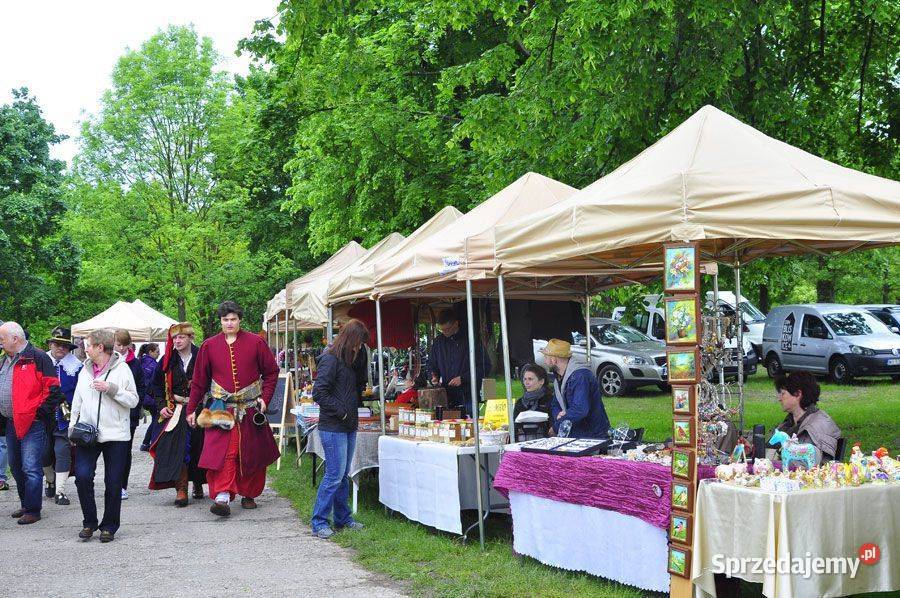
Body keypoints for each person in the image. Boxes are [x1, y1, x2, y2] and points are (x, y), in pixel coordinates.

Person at [187, 301, 280, 517]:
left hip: (250, 408)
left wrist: (265, 399)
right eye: (225, 320)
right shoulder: (209, 346)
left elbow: (272, 372)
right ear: (221, 322)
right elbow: (199, 381)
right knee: (224, 452)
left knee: (250, 451)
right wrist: (191, 408)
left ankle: (249, 493)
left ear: (240, 320)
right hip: (221, 408)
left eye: (233, 319)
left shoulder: (256, 342)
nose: (229, 323)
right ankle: (222, 495)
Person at [71, 328, 139, 542]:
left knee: (113, 482)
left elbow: (133, 401)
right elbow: (77, 400)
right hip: (87, 433)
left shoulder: (122, 369)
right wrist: (73, 426)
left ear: (100, 347)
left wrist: (112, 388)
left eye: (88, 345)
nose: (85, 348)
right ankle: (89, 522)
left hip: (116, 435)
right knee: (82, 477)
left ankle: (109, 526)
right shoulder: (85, 370)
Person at [311, 319, 369, 539]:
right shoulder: (330, 359)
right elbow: (320, 393)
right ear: (350, 340)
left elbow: (358, 385)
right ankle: (319, 521)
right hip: (333, 425)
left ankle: (343, 518)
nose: (359, 348)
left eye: (361, 345)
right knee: (334, 476)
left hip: (348, 424)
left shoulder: (353, 359)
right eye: (358, 344)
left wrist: (361, 358)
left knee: (342, 475)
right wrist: (341, 411)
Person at [0, 321, 63, 524]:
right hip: (11, 420)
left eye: (2, 339)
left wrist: (38, 413)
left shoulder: (38, 357)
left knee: (30, 467)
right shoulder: (4, 360)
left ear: (15, 338)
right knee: (16, 467)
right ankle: (26, 504)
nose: (0, 343)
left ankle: (33, 510)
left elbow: (53, 390)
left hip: (32, 422)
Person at [149, 323, 205, 505]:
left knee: (199, 446)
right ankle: (181, 488)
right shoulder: (167, 359)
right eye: (175, 338)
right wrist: (161, 406)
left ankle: (197, 482)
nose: (178, 341)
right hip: (176, 409)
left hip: (199, 409)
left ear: (190, 337)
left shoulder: (202, 356)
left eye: (181, 337)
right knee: (176, 447)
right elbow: (156, 386)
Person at [540, 339, 610, 439]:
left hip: (592, 436)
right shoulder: (559, 378)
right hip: (576, 433)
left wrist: (557, 426)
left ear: (554, 360)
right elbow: (555, 404)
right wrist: (559, 417)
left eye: (546, 357)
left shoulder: (580, 376)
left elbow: (580, 409)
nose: (544, 361)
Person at [45, 327, 83, 505]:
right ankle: (50, 480)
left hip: (65, 417)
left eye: (65, 346)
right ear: (51, 344)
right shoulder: (41, 362)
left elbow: (81, 393)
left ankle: (60, 491)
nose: (60, 348)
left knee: (62, 452)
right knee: (43, 454)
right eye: (57, 344)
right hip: (42, 416)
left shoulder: (77, 367)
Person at [429, 308, 487, 417]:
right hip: (446, 395)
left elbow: (484, 366)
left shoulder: (471, 340)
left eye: (447, 329)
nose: (445, 333)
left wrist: (463, 378)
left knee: (470, 427)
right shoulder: (438, 343)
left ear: (456, 324)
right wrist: (433, 376)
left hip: (468, 394)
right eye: (442, 330)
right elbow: (432, 365)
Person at [774, 371, 841, 462]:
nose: (779, 399)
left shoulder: (818, 426)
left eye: (783, 393)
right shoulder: (789, 422)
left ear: (798, 394)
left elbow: (809, 465)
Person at [114, 330, 147, 500]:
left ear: (128, 345)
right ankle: (112, 482)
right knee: (111, 451)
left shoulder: (135, 363)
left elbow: (141, 387)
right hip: (111, 413)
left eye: (122, 345)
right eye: (116, 345)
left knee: (125, 451)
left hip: (129, 414)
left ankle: (122, 485)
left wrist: (135, 406)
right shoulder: (109, 359)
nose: (118, 348)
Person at [138, 343, 161, 451]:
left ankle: (148, 442)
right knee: (157, 418)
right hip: (150, 397)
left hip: (145, 396)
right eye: (157, 352)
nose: (159, 354)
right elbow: (152, 382)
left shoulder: (142, 361)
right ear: (150, 352)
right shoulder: (151, 365)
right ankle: (148, 443)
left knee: (156, 418)